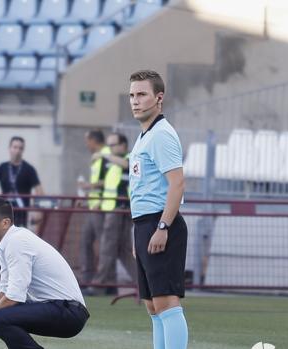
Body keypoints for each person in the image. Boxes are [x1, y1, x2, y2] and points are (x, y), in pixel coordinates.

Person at [0, 198, 89, 349]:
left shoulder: (17, 242)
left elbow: (14, 297)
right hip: (57, 308)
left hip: (69, 312)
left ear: (5, 223)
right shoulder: (5, 243)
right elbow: (4, 290)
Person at [128, 70, 188, 349]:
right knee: (152, 305)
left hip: (160, 223)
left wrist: (162, 227)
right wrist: (137, 234)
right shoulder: (144, 136)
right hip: (144, 225)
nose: (135, 101)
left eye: (141, 94)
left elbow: (177, 184)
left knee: (165, 300)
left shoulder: (162, 134)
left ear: (159, 97)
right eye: (132, 95)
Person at [92, 133, 137, 293]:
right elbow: (108, 184)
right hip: (113, 209)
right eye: (109, 145)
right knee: (123, 251)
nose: (110, 149)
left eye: (113, 145)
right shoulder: (111, 162)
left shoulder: (132, 156)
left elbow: (126, 165)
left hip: (120, 210)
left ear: (123, 145)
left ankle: (98, 285)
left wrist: (105, 155)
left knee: (107, 247)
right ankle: (143, 283)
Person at [0, 136, 44, 227]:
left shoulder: (29, 169)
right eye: (15, 147)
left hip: (22, 213)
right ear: (9, 148)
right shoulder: (3, 167)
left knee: (19, 238)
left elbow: (40, 192)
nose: (17, 151)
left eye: (20, 148)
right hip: (4, 212)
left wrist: (37, 211)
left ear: (23, 150)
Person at [77, 130, 110, 290]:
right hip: (93, 206)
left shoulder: (106, 156)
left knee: (104, 246)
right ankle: (87, 279)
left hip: (101, 207)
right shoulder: (98, 156)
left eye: (87, 140)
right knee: (86, 241)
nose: (86, 144)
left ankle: (104, 282)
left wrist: (88, 187)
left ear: (93, 140)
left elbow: (110, 182)